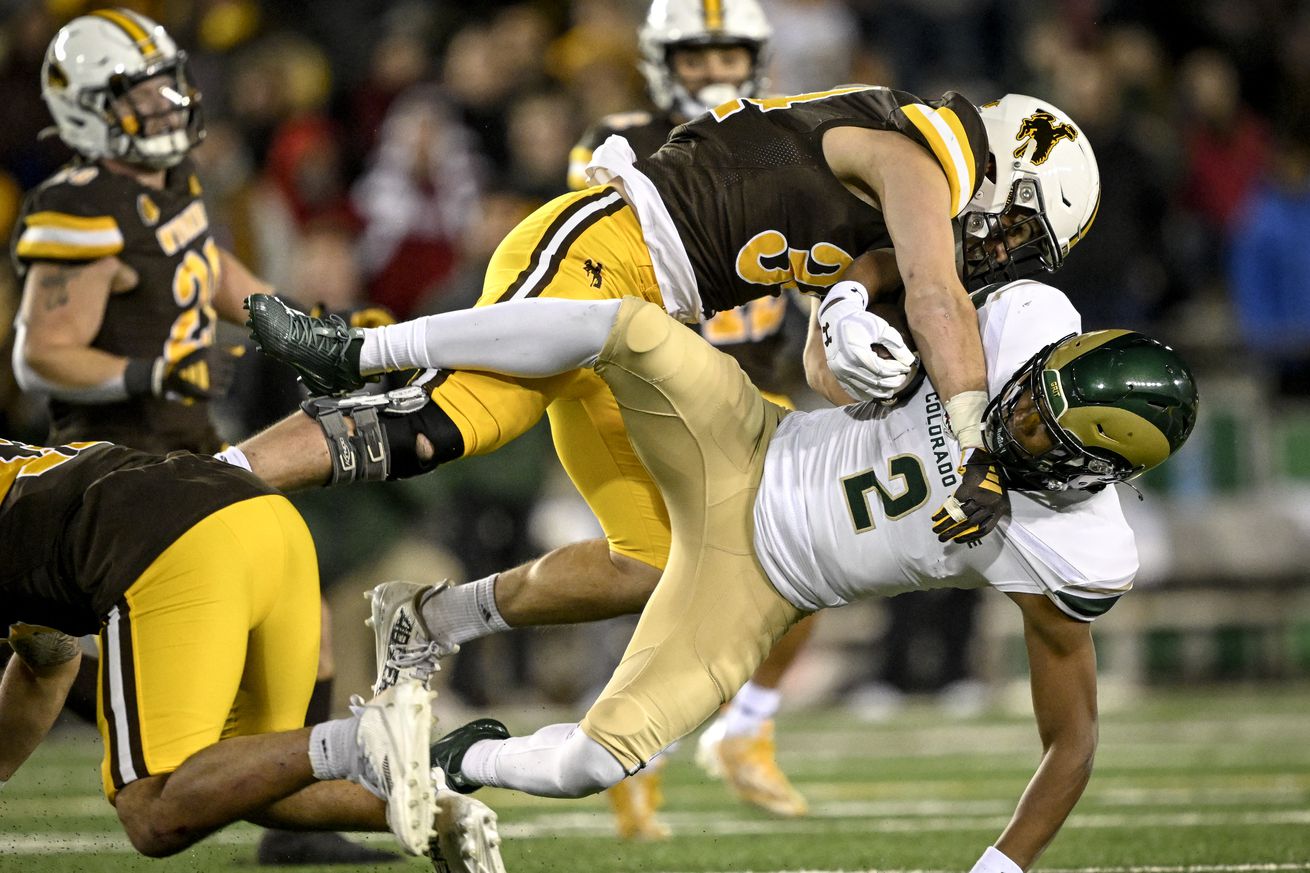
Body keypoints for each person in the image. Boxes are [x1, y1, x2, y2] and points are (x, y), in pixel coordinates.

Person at [248, 275, 1196, 873]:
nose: (1014, 419)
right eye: (1028, 399)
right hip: (746, 439)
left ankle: (450, 761)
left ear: (1089, 473)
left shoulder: (1074, 551)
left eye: (1039, 433)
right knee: (619, 326)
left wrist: (1001, 869)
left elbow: (1072, 741)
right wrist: (845, 314)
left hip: (761, 586)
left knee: (591, 761)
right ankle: (361, 350)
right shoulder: (1022, 322)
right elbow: (879, 272)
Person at [6, 11, 381, 863]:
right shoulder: (78, 207)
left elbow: (208, 268)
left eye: (164, 82)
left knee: (302, 617)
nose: (165, 103)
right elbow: (40, 355)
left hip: (190, 448)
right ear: (86, 106)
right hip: (121, 468)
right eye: (138, 92)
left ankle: (293, 822)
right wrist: (147, 373)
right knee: (89, 667)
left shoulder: (164, 184)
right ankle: (263, 798)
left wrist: (316, 330)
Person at [0, 438, 506, 873]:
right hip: (264, 515)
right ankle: (443, 814)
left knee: (154, 809)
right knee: (249, 780)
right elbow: (47, 662)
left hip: (170, 540)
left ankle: (363, 736)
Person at [565, 0, 813, 829]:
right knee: (661, 571)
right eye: (697, 56)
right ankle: (637, 747)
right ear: (662, 60)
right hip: (655, 384)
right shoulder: (620, 142)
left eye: (729, 54)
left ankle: (744, 729)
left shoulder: (790, 133)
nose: (714, 71)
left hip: (759, 378)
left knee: (816, 552)